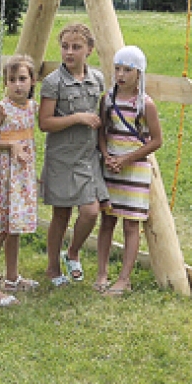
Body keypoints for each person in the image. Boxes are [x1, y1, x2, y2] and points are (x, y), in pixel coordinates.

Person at [38, 22, 108, 286]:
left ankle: (73, 252)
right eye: (65, 46)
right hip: (63, 158)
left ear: (89, 50)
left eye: (76, 47)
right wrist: (76, 118)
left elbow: (100, 117)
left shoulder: (96, 79)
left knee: (91, 211)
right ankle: (53, 268)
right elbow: (44, 123)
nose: (69, 52)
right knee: (61, 214)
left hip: (88, 157)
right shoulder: (53, 82)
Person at [95, 46, 162, 296]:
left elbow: (156, 140)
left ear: (139, 73)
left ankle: (124, 278)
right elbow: (102, 131)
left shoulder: (145, 105)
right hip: (111, 166)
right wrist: (106, 155)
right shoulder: (108, 99)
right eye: (117, 69)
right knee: (107, 220)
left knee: (131, 225)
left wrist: (127, 159)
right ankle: (102, 273)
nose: (121, 75)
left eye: (127, 70)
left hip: (134, 171)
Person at [0, 53, 39, 307]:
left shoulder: (31, 108)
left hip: (20, 177)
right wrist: (10, 145)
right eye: (11, 79)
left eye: (22, 79)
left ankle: (12, 278)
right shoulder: (1, 109)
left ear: (32, 81)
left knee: (15, 229)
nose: (17, 85)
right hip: (3, 177)